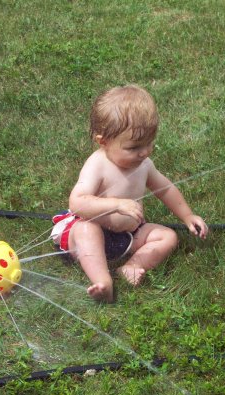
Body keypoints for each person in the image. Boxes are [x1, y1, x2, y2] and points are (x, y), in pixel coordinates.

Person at [51, 85, 208, 302]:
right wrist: (115, 204)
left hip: (127, 235)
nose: (144, 152)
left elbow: (166, 188)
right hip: (92, 234)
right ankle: (103, 281)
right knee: (87, 230)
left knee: (167, 236)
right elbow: (77, 202)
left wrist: (187, 216)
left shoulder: (144, 165)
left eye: (149, 143)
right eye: (133, 148)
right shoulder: (98, 165)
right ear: (103, 141)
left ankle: (131, 267)